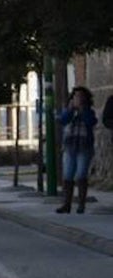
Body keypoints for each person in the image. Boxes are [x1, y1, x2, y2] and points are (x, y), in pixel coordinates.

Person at [56, 86, 98, 214]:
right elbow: (63, 120)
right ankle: (66, 204)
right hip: (70, 146)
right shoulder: (68, 110)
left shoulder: (89, 111)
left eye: (80, 96)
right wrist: (70, 109)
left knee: (81, 175)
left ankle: (81, 205)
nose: (78, 98)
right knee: (68, 175)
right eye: (75, 96)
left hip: (84, 147)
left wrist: (82, 109)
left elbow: (91, 122)